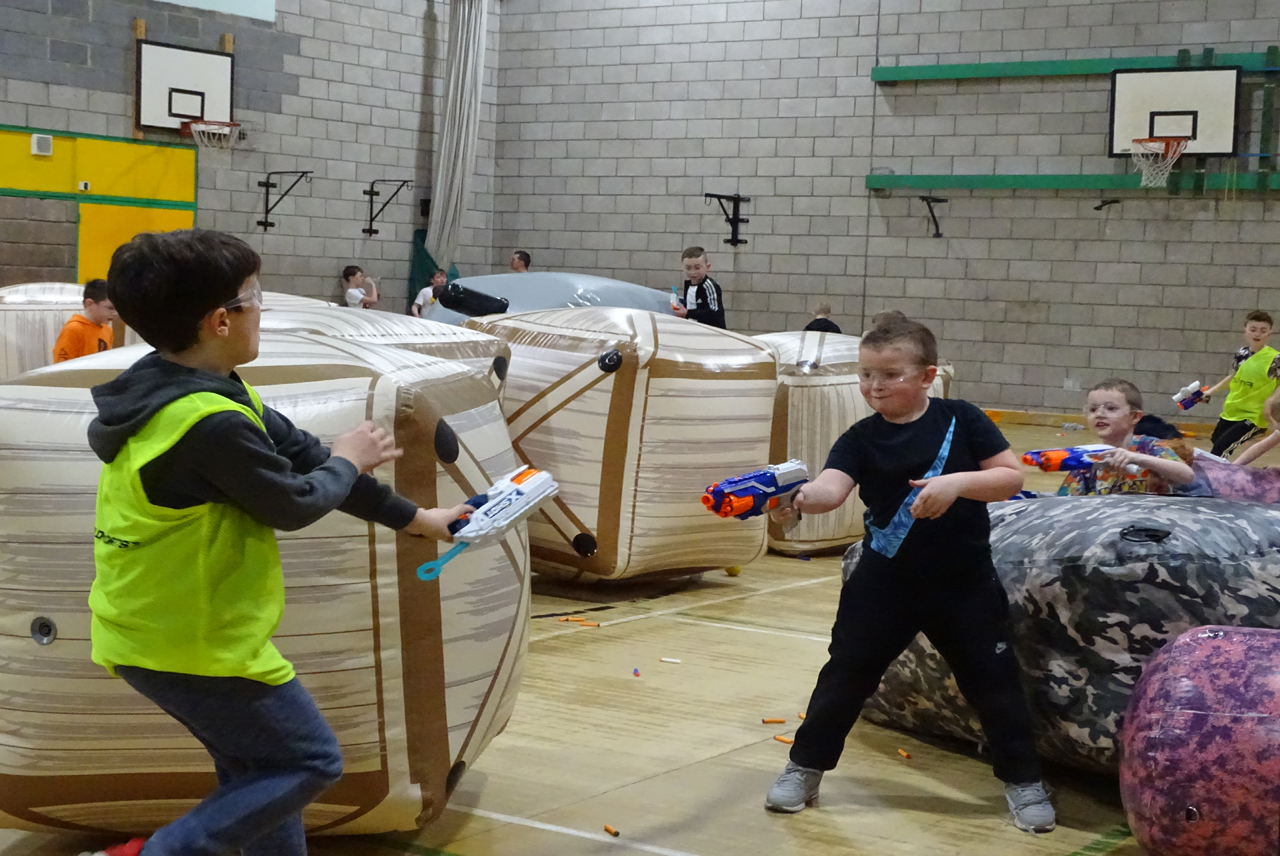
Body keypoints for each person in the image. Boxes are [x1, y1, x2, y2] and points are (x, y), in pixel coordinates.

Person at [81, 230, 471, 856]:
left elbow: (302, 455)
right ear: (219, 320)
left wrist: (419, 519)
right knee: (306, 763)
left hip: (160, 630)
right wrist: (349, 461)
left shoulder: (194, 386)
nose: (261, 307)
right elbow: (294, 501)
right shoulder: (206, 423)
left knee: (258, 770)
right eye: (253, 296)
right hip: (189, 642)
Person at [762, 318, 1056, 833]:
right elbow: (831, 489)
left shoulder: (961, 418)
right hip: (884, 583)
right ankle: (804, 769)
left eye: (890, 374)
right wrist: (797, 501)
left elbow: (1010, 476)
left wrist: (957, 484)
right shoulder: (859, 439)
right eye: (866, 374)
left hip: (963, 582)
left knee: (994, 684)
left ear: (927, 376)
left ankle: (1024, 782)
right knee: (844, 676)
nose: (875, 386)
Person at [1056, 379, 1195, 496]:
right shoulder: (1089, 458)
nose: (1099, 414)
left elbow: (1187, 475)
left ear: (1134, 417)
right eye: (1093, 409)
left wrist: (1136, 458)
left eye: (1111, 409)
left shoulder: (1149, 446)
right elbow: (1064, 502)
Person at [1204, 310, 1278, 457]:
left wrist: (1271, 401)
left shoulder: (1275, 358)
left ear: (1269, 333)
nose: (1257, 334)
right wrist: (1210, 392)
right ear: (1245, 331)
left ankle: (1216, 477)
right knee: (1216, 440)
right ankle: (1221, 472)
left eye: (1263, 331)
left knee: (1221, 447)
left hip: (1253, 416)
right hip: (1232, 409)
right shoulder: (1241, 354)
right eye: (1253, 330)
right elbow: (1233, 376)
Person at [53, 278, 117, 362]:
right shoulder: (73, 329)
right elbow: (61, 365)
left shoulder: (107, 330)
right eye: (110, 308)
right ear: (89, 303)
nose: (115, 313)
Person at [671, 246, 726, 329]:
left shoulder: (709, 286)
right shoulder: (688, 285)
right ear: (682, 268)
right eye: (688, 268)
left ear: (707, 267)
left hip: (711, 333)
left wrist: (687, 313)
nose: (693, 272)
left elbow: (715, 313)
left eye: (697, 268)